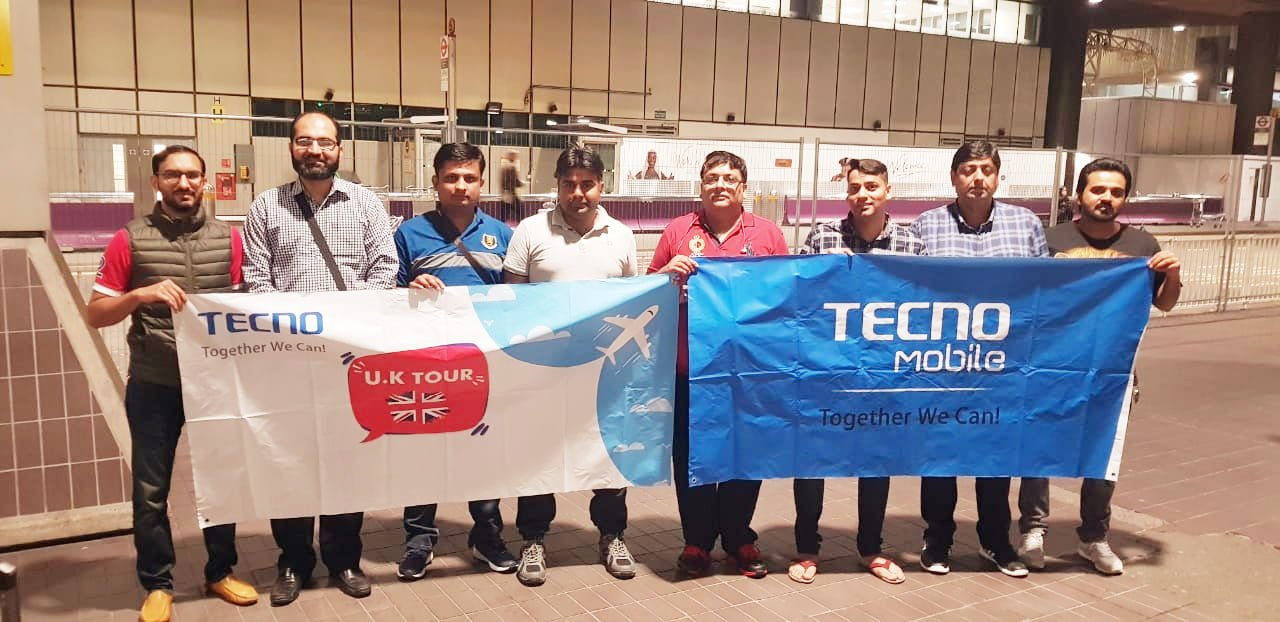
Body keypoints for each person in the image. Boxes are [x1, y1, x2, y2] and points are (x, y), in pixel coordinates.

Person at [86, 145, 258, 622]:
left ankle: (220, 571)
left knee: (221, 482)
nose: (184, 183)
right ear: (156, 182)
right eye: (172, 175)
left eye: (192, 175)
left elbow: (247, 307)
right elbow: (96, 314)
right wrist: (139, 295)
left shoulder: (230, 239)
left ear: (204, 182)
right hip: (154, 383)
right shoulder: (129, 240)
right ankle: (158, 584)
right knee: (151, 491)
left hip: (215, 382)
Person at [242, 111, 398, 605]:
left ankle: (344, 559)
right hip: (288, 361)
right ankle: (292, 561)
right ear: (291, 148)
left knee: (345, 462)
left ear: (339, 150)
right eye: (305, 141)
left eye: (325, 142)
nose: (315, 150)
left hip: (349, 362)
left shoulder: (366, 205)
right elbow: (256, 280)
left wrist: (340, 322)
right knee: (288, 463)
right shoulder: (265, 207)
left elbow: (385, 271)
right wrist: (301, 330)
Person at [1017, 157, 1182, 576]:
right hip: (1051, 366)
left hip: (1111, 370)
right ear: (1079, 195)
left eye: (1116, 192)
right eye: (1098, 189)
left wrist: (1172, 274)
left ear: (1125, 198)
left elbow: (1164, 303)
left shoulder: (1143, 246)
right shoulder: (1048, 240)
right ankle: (1033, 530)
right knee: (1037, 449)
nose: (1106, 198)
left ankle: (1094, 537)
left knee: (1102, 453)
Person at [503, 145, 640, 586]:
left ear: (602, 186)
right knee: (538, 455)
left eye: (587, 185)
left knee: (608, 455)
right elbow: (511, 299)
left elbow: (632, 300)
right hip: (543, 370)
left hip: (604, 371)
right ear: (557, 186)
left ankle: (612, 534)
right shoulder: (530, 231)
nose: (578, 193)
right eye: (569, 185)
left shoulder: (621, 235)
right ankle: (533, 539)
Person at [910, 140, 1048, 578]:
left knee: (995, 458)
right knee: (939, 457)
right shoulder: (926, 226)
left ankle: (995, 541)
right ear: (954, 177)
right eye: (968, 170)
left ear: (997, 176)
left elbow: (1045, 291)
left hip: (1002, 367)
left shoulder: (1025, 224)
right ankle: (937, 540)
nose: (977, 178)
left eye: (986, 169)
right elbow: (908, 292)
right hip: (943, 365)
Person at [649, 150, 789, 580]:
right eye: (712, 177)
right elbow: (648, 290)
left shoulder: (768, 235)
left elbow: (786, 298)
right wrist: (667, 277)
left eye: (729, 178)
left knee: (744, 456)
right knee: (690, 458)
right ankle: (696, 542)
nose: (720, 184)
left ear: (743, 187)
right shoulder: (678, 231)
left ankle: (738, 539)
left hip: (748, 373)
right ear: (701, 186)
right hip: (690, 370)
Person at [792, 158, 925, 585]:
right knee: (811, 460)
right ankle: (807, 549)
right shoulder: (823, 238)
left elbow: (926, 308)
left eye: (871, 186)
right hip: (826, 372)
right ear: (846, 192)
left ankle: (871, 548)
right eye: (855, 187)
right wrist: (825, 274)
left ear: (887, 191)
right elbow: (798, 296)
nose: (863, 194)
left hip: (884, 374)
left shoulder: (911, 244)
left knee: (875, 461)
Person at [392, 143, 518, 579]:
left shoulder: (502, 235)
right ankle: (418, 540)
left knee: (484, 450)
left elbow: (517, 299)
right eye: (451, 177)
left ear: (481, 183)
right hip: (425, 364)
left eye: (469, 178)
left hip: (483, 365)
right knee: (423, 452)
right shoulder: (409, 234)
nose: (460, 186)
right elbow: (385, 296)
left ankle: (486, 536)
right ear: (435, 182)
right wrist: (409, 288)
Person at [499, 150, 524, 223]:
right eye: (515, 156)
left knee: (504, 214)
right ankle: (521, 226)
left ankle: (501, 226)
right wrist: (523, 184)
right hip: (511, 193)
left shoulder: (504, 167)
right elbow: (515, 181)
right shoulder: (512, 167)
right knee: (520, 212)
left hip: (504, 193)